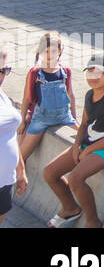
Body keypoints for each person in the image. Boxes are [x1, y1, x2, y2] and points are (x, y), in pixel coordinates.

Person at [43, 53, 104, 228]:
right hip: (88, 143)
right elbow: (83, 125)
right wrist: (76, 145)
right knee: (50, 172)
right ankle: (70, 208)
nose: (93, 77)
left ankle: (93, 221)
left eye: (99, 73)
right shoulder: (90, 95)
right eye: (90, 72)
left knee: (75, 178)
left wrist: (88, 150)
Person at [17, 33, 77, 166]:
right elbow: (26, 98)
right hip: (39, 118)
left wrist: (73, 117)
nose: (50, 55)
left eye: (54, 51)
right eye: (46, 51)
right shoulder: (35, 72)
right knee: (20, 158)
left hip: (61, 116)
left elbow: (71, 95)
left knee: (82, 135)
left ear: (60, 51)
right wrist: (22, 121)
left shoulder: (65, 71)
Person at [0, 45, 29, 227]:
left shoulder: (2, 95)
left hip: (4, 180)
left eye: (5, 70)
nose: (1, 76)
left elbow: (10, 136)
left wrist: (20, 169)